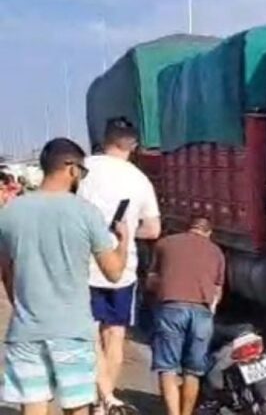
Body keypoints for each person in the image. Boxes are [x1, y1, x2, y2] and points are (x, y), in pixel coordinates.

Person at [0, 138, 128, 415]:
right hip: (73, 332)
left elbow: (6, 274)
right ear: (72, 169)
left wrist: (23, 305)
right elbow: (114, 272)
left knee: (32, 408)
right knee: (77, 408)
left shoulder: (10, 213)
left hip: (26, 332)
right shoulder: (85, 213)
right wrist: (124, 240)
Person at [77, 117, 161, 413]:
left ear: (104, 139)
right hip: (123, 270)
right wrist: (125, 231)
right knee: (115, 335)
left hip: (83, 266)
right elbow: (153, 230)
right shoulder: (139, 179)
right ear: (133, 145)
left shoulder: (82, 169)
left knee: (90, 334)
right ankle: (106, 399)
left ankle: (101, 397)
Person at [147, 216, 225, 415]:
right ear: (209, 233)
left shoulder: (165, 244)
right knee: (193, 371)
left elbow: (151, 281)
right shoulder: (216, 252)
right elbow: (217, 291)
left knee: (168, 368)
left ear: (187, 228)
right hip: (202, 313)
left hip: (171, 308)